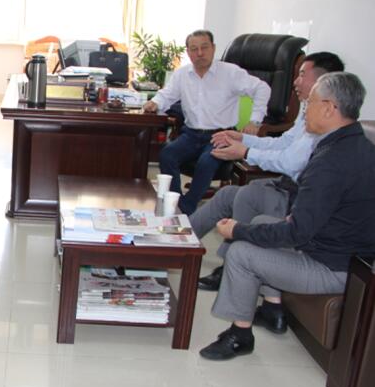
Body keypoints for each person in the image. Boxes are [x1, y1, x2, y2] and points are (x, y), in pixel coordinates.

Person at [199, 71, 375, 360]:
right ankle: (272, 310)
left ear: (329, 108)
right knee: (262, 223)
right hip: (343, 253)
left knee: (241, 253)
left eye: (311, 103)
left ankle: (239, 336)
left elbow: (296, 233)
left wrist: (237, 230)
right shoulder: (357, 146)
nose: (305, 110)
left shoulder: (331, 162)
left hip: (334, 267)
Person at [190, 52, 345, 316]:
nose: (295, 81)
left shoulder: (325, 123)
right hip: (284, 185)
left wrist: (245, 152)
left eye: (302, 75)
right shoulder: (308, 111)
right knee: (227, 194)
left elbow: (290, 161)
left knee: (247, 195)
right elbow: (282, 143)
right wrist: (243, 138)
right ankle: (178, 245)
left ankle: (230, 268)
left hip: (295, 197)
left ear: (323, 81)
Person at [143, 29, 271, 215]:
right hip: (191, 134)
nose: (200, 53)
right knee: (167, 155)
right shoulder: (182, 75)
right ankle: (176, 200)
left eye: (204, 47)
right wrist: (155, 102)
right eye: (194, 49)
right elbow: (167, 94)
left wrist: (255, 121)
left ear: (213, 48)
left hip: (222, 135)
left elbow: (262, 88)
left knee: (206, 162)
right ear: (188, 52)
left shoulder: (230, 72)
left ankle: (186, 208)